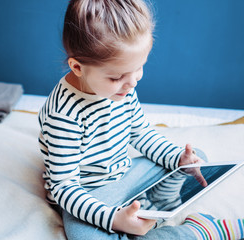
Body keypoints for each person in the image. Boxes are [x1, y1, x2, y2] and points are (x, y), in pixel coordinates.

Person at [38, 0, 244, 239]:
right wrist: (114, 218)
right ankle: (198, 231)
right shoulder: (63, 115)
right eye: (116, 77)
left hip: (127, 176)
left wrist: (178, 158)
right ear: (77, 67)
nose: (133, 82)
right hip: (88, 194)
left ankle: (158, 200)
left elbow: (141, 133)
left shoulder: (123, 88)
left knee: (196, 160)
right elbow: (64, 187)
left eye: (139, 68)